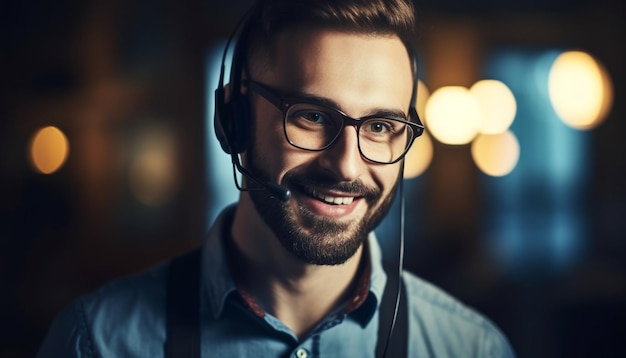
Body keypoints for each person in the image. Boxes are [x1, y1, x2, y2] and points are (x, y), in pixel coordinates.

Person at [38, 0, 515, 357]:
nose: (347, 166)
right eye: (310, 116)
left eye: (381, 126)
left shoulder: (473, 348)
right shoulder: (93, 342)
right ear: (234, 117)